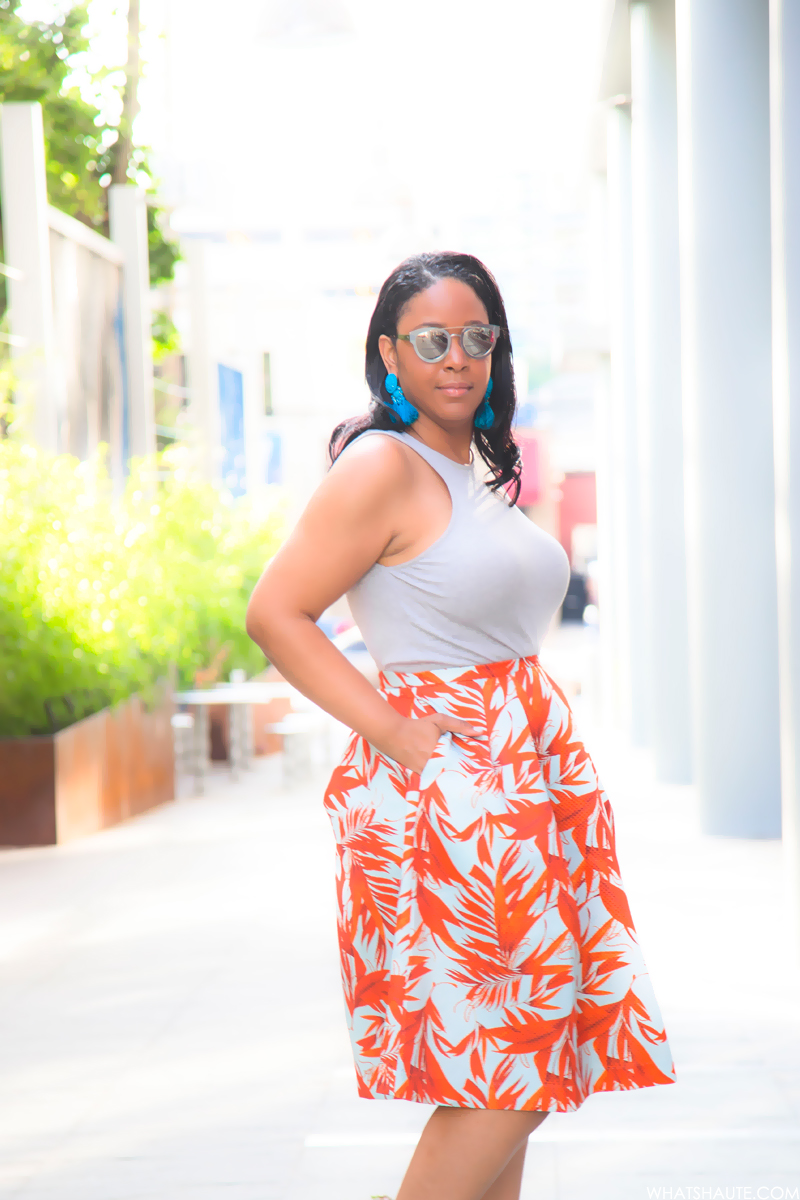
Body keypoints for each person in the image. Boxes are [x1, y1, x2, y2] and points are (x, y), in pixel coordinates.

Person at [245, 251, 675, 1200]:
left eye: (478, 337)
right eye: (433, 339)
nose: (459, 357)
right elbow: (276, 613)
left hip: (525, 783)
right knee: (513, 1055)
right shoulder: (380, 466)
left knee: (506, 1060)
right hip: (455, 797)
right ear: (389, 355)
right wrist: (399, 736)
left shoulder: (466, 466)